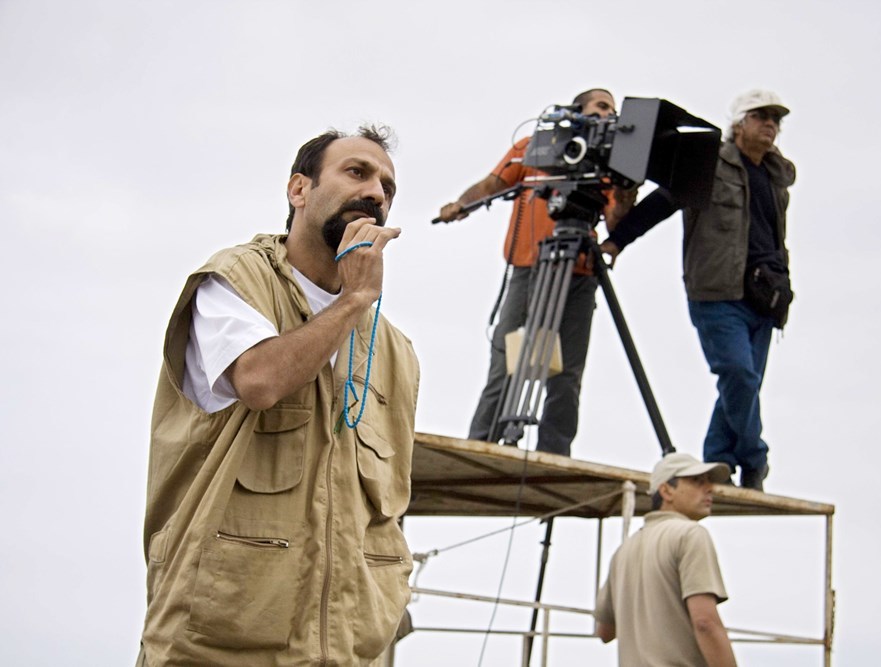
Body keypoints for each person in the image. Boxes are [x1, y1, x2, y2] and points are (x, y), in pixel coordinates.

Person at [138, 126, 419, 666]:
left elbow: (389, 509)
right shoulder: (234, 281)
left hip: (343, 651)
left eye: (388, 186)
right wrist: (356, 297)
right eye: (357, 172)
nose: (376, 194)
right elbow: (259, 381)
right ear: (299, 190)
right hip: (217, 646)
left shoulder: (394, 350)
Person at [600, 90, 797, 490]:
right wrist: (617, 240)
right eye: (762, 117)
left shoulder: (775, 178)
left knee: (743, 383)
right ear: (739, 123)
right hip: (716, 291)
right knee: (738, 374)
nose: (771, 125)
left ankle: (720, 459)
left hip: (766, 296)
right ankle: (755, 459)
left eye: (776, 119)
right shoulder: (709, 162)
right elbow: (663, 202)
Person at [437, 88, 633, 456]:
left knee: (566, 374)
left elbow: (615, 221)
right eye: (601, 106)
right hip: (528, 270)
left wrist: (626, 190)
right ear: (578, 111)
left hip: (579, 274)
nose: (609, 114)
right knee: (507, 362)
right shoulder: (538, 145)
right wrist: (461, 204)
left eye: (613, 109)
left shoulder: (608, 161)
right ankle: (481, 447)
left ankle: (554, 453)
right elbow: (493, 184)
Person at [594, 452, 737, 667]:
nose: (709, 489)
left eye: (708, 482)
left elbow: (605, 631)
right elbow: (705, 622)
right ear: (666, 490)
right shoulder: (690, 534)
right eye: (697, 481)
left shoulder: (624, 551)